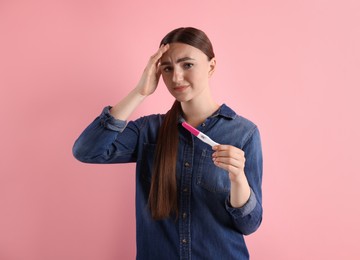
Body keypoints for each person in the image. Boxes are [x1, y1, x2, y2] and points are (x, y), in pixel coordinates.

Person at [73, 27, 263, 260]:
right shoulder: (148, 131)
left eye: (187, 65)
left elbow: (250, 224)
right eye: (167, 68)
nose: (176, 78)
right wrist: (140, 92)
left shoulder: (244, 133)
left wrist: (238, 179)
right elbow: (87, 151)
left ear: (211, 66)